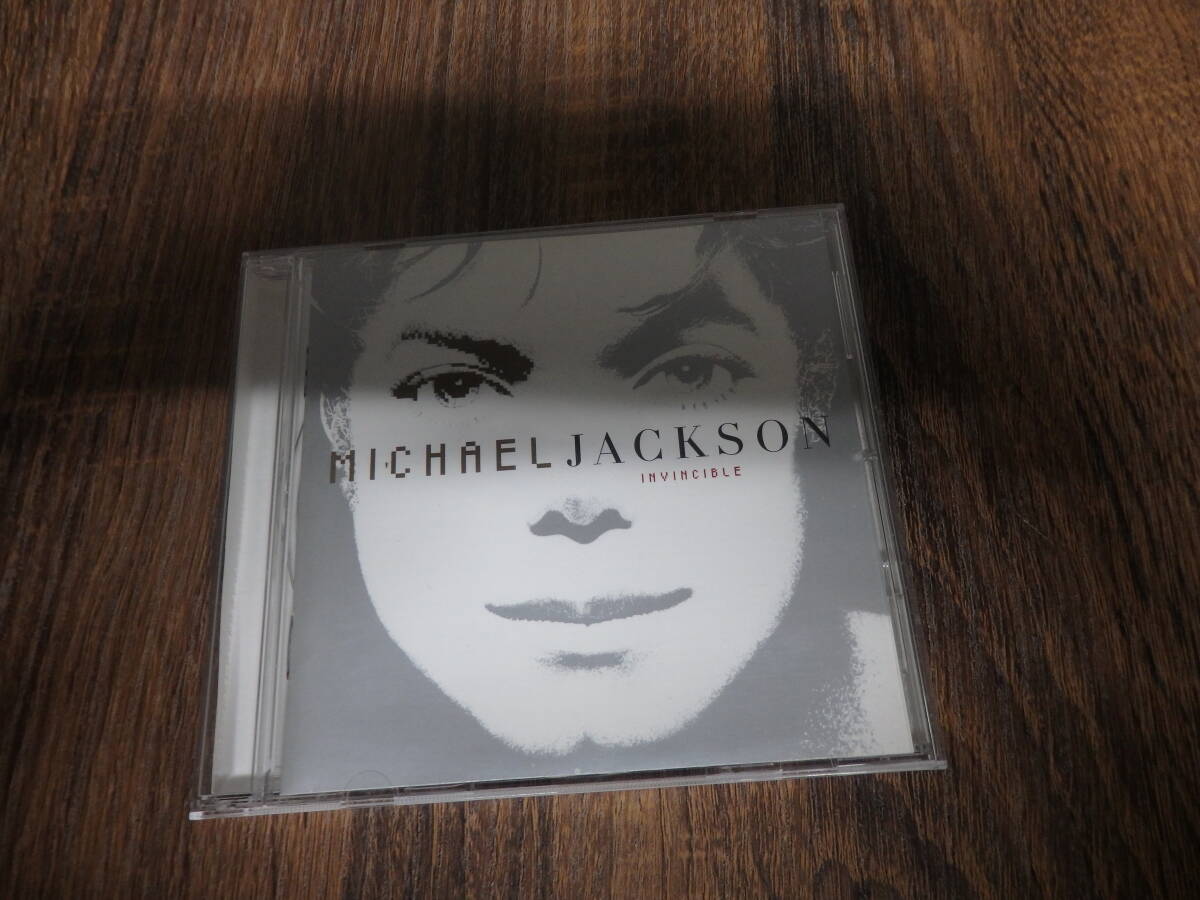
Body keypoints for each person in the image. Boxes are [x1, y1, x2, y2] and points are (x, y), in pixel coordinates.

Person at [284, 213, 912, 792]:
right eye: (455, 386)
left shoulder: (912, 684)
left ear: (811, 396)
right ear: (341, 427)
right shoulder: (283, 720)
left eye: (689, 373)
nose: (579, 511)